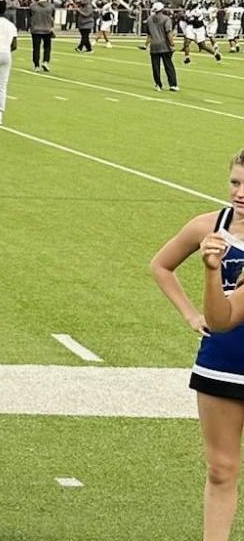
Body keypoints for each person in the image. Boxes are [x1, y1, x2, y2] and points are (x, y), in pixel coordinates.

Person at [155, 153, 244, 540]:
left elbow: (227, 314)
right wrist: (191, 315)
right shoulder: (208, 226)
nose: (239, 193)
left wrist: (212, 274)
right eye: (235, 182)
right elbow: (161, 265)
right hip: (222, 361)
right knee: (220, 468)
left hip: (229, 331)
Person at [147, 1, 179, 92]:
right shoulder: (166, 19)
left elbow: (149, 34)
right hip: (164, 45)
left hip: (154, 45)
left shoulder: (149, 19)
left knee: (155, 66)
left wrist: (146, 45)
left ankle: (158, 84)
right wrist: (172, 44)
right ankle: (173, 84)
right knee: (168, 65)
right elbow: (168, 33)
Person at [28, 0, 55, 72]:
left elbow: (30, 17)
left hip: (36, 29)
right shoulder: (51, 6)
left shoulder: (33, 7)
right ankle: (45, 61)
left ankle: (36, 65)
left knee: (36, 48)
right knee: (47, 47)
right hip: (47, 29)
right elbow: (53, 17)